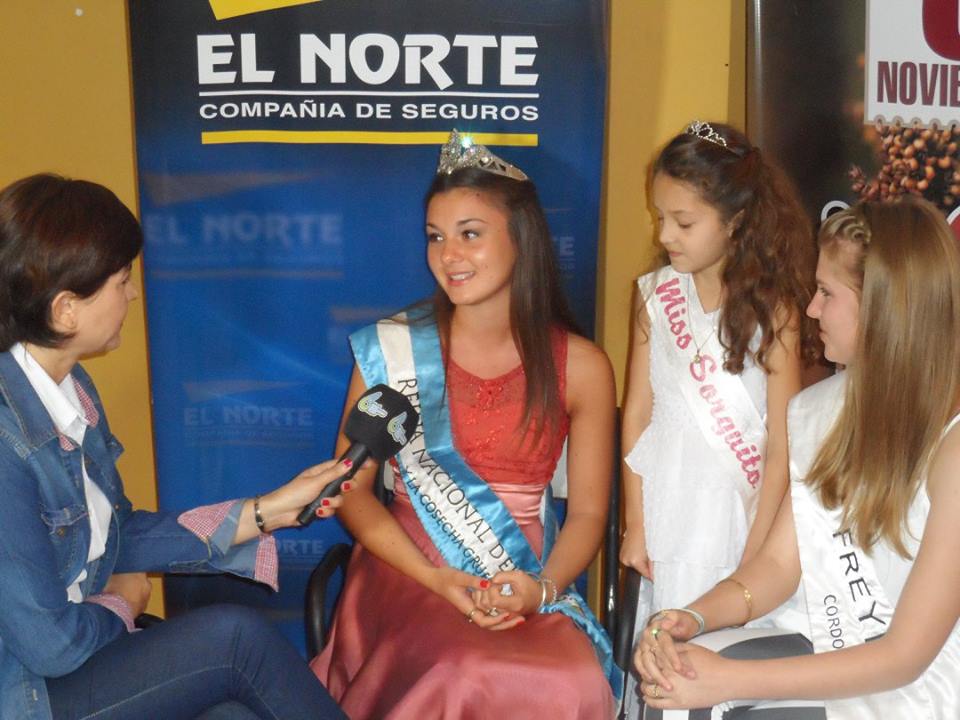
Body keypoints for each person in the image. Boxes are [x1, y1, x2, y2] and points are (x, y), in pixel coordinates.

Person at [0, 173, 347, 720]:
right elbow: (52, 645)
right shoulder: (6, 440)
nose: (133, 293)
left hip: (73, 664)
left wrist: (266, 511)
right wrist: (122, 602)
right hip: (28, 692)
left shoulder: (69, 387)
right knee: (234, 638)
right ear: (66, 309)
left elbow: (117, 533)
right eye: (121, 280)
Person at [310, 130, 621, 718]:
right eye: (436, 236)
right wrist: (435, 580)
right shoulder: (393, 350)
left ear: (521, 238)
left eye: (470, 234)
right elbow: (350, 489)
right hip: (406, 566)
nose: (449, 255)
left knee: (574, 680)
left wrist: (542, 590)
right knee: (461, 667)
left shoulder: (582, 366)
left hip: (523, 574)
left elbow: (587, 514)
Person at [636, 198, 960, 718]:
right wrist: (691, 618)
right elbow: (777, 565)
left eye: (827, 293)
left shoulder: (953, 445)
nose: (811, 310)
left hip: (914, 690)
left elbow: (904, 657)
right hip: (821, 641)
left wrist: (728, 680)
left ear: (885, 308)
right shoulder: (820, 410)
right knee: (674, 685)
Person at [619, 120, 819, 715]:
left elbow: (782, 442)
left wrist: (756, 550)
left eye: (683, 222)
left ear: (736, 221)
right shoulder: (654, 297)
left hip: (738, 516)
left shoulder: (775, 311)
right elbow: (638, 413)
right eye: (660, 217)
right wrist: (635, 521)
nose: (665, 234)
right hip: (668, 510)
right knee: (659, 652)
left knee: (712, 663)